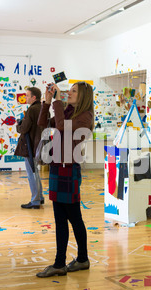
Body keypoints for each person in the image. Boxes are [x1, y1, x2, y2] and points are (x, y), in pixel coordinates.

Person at [36, 81, 94, 278]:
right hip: (57, 167)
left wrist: (58, 101)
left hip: (68, 170)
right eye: (69, 90)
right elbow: (43, 123)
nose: (69, 93)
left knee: (74, 218)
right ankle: (61, 263)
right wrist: (47, 101)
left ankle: (81, 259)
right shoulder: (68, 112)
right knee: (60, 219)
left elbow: (61, 126)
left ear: (84, 96)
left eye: (74, 91)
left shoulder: (85, 117)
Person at [14, 87, 45, 209]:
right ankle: (40, 197)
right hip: (39, 144)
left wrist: (19, 125)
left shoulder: (32, 110)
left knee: (31, 173)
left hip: (30, 145)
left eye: (27, 96)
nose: (25, 98)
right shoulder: (42, 108)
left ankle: (35, 200)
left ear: (34, 97)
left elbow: (24, 128)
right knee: (35, 172)